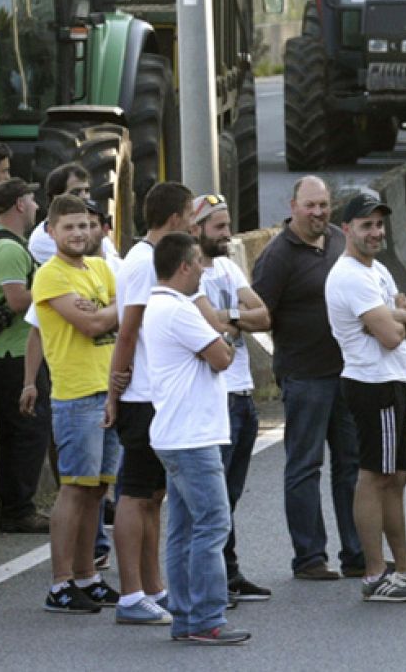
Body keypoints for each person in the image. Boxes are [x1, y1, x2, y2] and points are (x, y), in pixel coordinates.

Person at [252, 176, 363, 580]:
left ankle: (357, 553)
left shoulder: (339, 240)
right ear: (293, 206)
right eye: (310, 205)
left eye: (323, 205)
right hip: (304, 377)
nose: (318, 212)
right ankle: (309, 557)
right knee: (304, 467)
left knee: (351, 466)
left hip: (346, 373)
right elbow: (259, 313)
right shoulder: (277, 256)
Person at [326, 193, 406, 603]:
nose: (375, 232)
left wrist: (398, 317)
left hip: (393, 381)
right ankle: (375, 573)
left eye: (378, 224)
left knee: (396, 477)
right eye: (366, 225)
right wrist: (399, 318)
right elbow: (393, 334)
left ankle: (404, 566)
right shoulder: (350, 276)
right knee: (375, 476)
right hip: (373, 384)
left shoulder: (378, 270)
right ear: (346, 229)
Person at [143, 232, 248, 645]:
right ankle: (206, 618)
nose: (204, 271)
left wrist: (220, 338)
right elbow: (221, 357)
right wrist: (227, 336)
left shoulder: (157, 306)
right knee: (213, 523)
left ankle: (186, 617)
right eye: (199, 264)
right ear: (184, 266)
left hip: (174, 433)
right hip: (192, 436)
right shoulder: (179, 310)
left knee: (184, 529)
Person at [108, 181, 195, 622]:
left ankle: (153, 587)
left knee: (153, 495)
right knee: (135, 494)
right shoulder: (144, 263)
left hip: (157, 395)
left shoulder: (151, 258)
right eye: (191, 216)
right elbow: (127, 332)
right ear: (175, 217)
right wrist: (114, 392)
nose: (195, 225)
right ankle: (130, 595)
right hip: (142, 395)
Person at [32, 194, 119, 615]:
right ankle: (60, 583)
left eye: (84, 225)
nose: (79, 233)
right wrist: (109, 311)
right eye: (69, 227)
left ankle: (87, 576)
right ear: (51, 232)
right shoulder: (50, 276)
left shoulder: (101, 268)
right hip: (77, 395)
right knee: (74, 489)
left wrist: (109, 310)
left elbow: (124, 313)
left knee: (97, 490)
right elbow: (91, 324)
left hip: (110, 392)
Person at [190, 195, 273, 604]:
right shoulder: (191, 274)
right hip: (216, 396)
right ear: (196, 229)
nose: (227, 234)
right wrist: (231, 320)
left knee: (232, 494)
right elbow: (206, 325)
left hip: (243, 394)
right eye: (219, 227)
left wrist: (231, 318)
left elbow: (264, 315)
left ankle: (230, 571)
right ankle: (213, 578)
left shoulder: (227, 267)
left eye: (228, 225)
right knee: (214, 498)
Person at [0, 178, 47, 533]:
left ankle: (15, 508)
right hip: (14, 352)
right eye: (32, 199)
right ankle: (18, 510)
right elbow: (16, 299)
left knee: (16, 431)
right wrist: (53, 286)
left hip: (7, 350)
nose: (37, 206)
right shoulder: (8, 248)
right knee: (27, 430)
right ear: (20, 204)